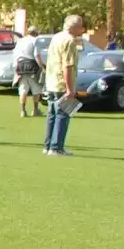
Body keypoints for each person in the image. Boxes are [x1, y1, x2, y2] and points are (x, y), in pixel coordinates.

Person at [43, 14, 84, 156]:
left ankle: (48, 145)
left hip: (51, 81)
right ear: (75, 27)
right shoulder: (70, 41)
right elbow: (68, 66)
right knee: (62, 114)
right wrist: (69, 88)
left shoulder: (57, 37)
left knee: (51, 114)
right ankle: (56, 147)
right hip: (61, 83)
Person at [12, 27, 43, 117]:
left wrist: (16, 67)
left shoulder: (20, 41)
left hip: (20, 65)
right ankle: (35, 110)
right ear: (36, 33)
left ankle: (23, 111)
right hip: (32, 65)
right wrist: (42, 65)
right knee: (36, 88)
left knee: (23, 89)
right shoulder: (35, 40)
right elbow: (36, 55)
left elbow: (15, 54)